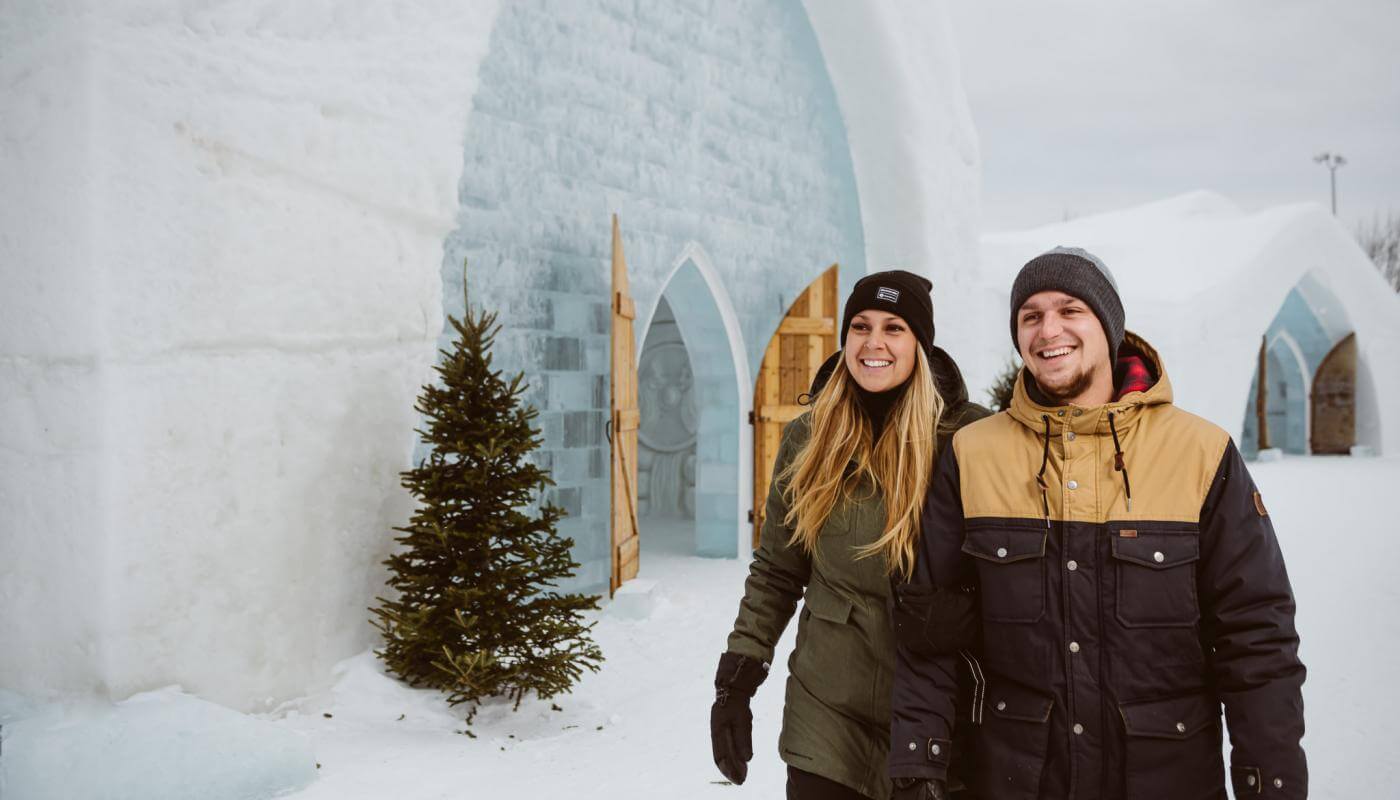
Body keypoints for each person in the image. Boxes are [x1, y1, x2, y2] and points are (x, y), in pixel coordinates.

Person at [888, 247, 1307, 799]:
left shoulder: (1201, 452)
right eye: (1030, 316)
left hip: (1166, 779)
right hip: (1019, 779)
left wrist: (1269, 780)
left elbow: (1255, 634)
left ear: (1108, 325)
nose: (1048, 330)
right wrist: (920, 766)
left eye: (1070, 310)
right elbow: (930, 633)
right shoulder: (973, 455)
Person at [711, 270, 991, 800]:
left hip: (934, 714)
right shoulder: (810, 437)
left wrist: (970, 611)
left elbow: (1012, 564)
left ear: (920, 345)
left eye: (894, 328)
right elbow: (777, 570)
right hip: (827, 711)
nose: (873, 343)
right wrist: (737, 679)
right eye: (860, 327)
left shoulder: (967, 438)